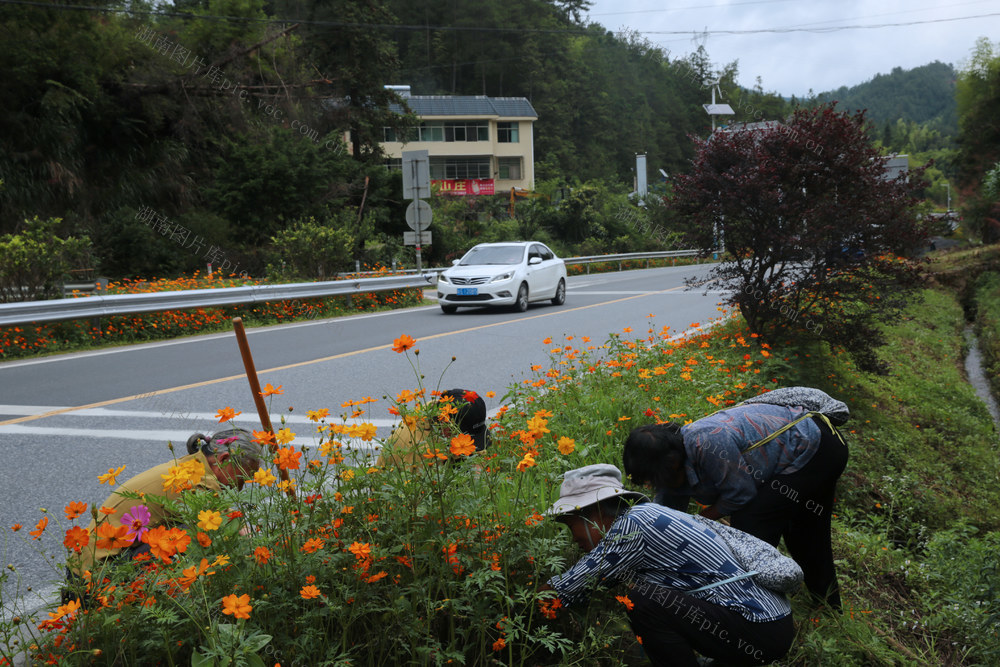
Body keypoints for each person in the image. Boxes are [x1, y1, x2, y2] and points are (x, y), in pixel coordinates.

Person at [545, 464, 795, 667]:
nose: (574, 538)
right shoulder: (649, 514)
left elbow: (570, 587)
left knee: (644, 600)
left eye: (571, 525)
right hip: (771, 621)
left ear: (595, 513)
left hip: (759, 627)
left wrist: (514, 607)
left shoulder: (633, 526)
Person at [622, 386, 849, 610]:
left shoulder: (707, 442)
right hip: (811, 444)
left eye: (654, 480)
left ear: (670, 463)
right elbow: (666, 517)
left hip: (816, 446)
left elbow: (740, 494)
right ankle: (828, 606)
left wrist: (699, 522)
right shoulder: (671, 461)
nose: (654, 485)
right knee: (807, 528)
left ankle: (757, 608)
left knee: (753, 524)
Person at [71, 428, 264, 578]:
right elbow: (233, 529)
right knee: (199, 535)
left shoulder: (194, 465)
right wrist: (264, 557)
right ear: (224, 459)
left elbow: (227, 515)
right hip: (99, 577)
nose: (241, 487)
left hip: (82, 570)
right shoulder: (198, 483)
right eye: (242, 477)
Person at [376, 388, 491, 467]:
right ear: (445, 425)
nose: (469, 445)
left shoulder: (438, 410)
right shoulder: (422, 452)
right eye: (466, 439)